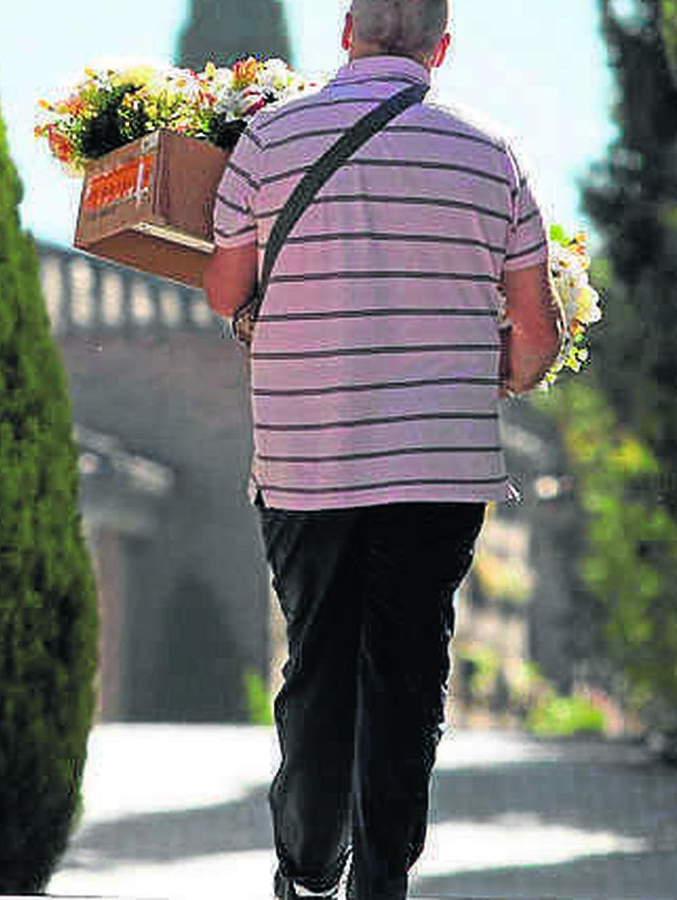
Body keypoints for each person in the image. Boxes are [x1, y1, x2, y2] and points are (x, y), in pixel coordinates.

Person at [201, 1, 564, 898]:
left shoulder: (270, 139)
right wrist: (507, 375)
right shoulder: (493, 154)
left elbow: (223, 291)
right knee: (407, 674)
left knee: (318, 663)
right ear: (441, 47)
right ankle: (382, 884)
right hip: (438, 467)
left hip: (305, 456)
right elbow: (537, 328)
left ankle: (310, 867)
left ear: (347, 30)